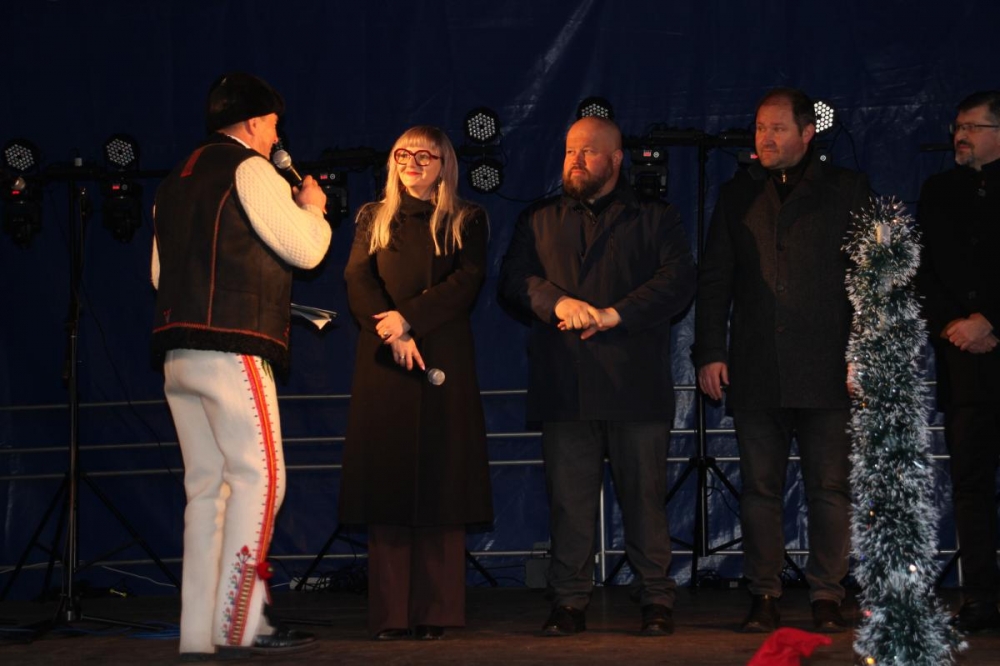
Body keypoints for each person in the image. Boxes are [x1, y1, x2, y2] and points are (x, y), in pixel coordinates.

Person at [150, 72, 331, 658]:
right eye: (274, 125)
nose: (277, 136)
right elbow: (307, 250)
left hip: (178, 351)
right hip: (231, 347)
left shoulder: (174, 181)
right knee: (260, 480)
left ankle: (200, 632)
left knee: (207, 489)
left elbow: (158, 275)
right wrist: (313, 210)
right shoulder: (249, 169)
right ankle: (243, 624)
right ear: (254, 122)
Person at [498, 116, 696, 637]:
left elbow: (678, 280)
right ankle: (569, 600)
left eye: (587, 151)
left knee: (645, 500)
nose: (576, 161)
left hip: (635, 386)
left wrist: (615, 314)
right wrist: (557, 301)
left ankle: (656, 597)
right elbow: (512, 279)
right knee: (569, 503)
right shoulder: (539, 218)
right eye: (569, 151)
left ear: (616, 159)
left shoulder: (655, 217)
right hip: (565, 387)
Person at [694, 87, 870, 634]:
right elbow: (715, 279)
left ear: (807, 133)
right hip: (756, 365)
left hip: (827, 366)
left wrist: (864, 351)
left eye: (777, 128)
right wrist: (710, 352)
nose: (765, 138)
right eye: (759, 128)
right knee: (760, 490)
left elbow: (873, 278)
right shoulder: (737, 193)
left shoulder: (846, 189)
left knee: (830, 489)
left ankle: (826, 593)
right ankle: (764, 592)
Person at [339, 125, 493, 641]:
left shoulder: (467, 219)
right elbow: (358, 278)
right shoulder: (372, 217)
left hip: (442, 356)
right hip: (385, 360)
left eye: (425, 156)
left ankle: (436, 612)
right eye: (403, 154)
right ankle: (391, 615)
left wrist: (410, 319)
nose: (412, 163)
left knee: (442, 484)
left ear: (444, 163)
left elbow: (466, 281)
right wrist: (392, 329)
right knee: (388, 485)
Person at [916, 90, 1000, 633]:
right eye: (957, 127)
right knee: (970, 485)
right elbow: (923, 272)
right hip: (964, 365)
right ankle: (980, 599)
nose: (959, 136)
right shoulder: (939, 191)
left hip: (992, 340)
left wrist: (991, 320)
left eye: (971, 127)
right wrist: (956, 325)